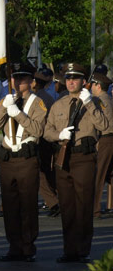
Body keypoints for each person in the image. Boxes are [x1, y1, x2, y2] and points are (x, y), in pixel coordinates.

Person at [44, 63, 108, 264]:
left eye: (75, 78)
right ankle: (69, 250)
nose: (71, 82)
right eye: (68, 79)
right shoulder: (58, 104)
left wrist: (89, 103)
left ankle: (83, 250)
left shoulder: (95, 103)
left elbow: (105, 126)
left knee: (83, 206)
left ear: (84, 82)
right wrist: (58, 135)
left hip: (84, 159)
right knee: (68, 207)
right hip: (63, 159)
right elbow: (46, 131)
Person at [0, 63, 47, 262]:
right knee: (10, 205)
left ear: (31, 81)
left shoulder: (37, 103)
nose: (17, 82)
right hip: (8, 159)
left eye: (22, 78)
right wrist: (4, 109)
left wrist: (17, 114)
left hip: (26, 159)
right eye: (15, 78)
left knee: (27, 204)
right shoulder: (7, 100)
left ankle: (27, 246)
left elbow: (37, 130)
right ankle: (13, 246)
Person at [32, 71, 59, 217]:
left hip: (40, 139)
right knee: (47, 172)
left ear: (34, 83)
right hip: (47, 139)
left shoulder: (37, 99)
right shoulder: (47, 97)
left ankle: (53, 202)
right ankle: (55, 200)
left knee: (40, 172)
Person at [91, 72, 113, 218]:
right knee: (110, 173)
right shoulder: (108, 98)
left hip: (105, 139)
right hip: (109, 138)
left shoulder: (99, 100)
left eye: (93, 84)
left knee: (99, 174)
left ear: (98, 86)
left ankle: (95, 208)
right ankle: (110, 204)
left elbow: (100, 124)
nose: (91, 87)